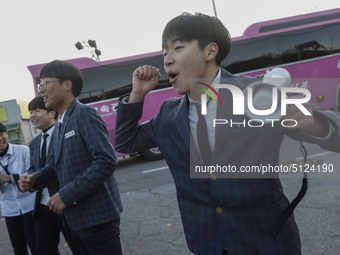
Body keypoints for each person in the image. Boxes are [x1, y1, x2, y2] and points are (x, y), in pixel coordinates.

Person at [114, 13, 340, 255]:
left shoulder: (257, 93)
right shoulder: (168, 114)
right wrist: (136, 96)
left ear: (210, 52)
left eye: (177, 48)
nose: (167, 60)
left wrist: (315, 124)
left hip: (266, 240)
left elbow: (334, 131)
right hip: (206, 243)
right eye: (163, 53)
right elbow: (126, 141)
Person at [19, 60, 123, 255]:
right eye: (39, 85)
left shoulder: (84, 114)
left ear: (66, 85)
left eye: (45, 83)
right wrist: (35, 178)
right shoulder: (60, 124)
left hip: (97, 218)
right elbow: (53, 165)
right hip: (76, 220)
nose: (41, 90)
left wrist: (66, 195)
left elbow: (106, 160)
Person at [27, 95, 81, 255]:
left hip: (65, 202)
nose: (32, 116)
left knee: (78, 247)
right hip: (43, 205)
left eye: (37, 110)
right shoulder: (34, 143)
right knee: (44, 250)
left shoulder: (65, 132)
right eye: (30, 112)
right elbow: (33, 168)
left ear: (52, 113)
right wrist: (29, 178)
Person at [0, 123, 38, 255]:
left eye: (1, 134)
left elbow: (34, 173)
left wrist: (12, 178)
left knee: (37, 246)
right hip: (10, 211)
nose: (0, 139)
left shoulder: (23, 151)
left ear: (6, 134)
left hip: (30, 206)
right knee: (19, 249)